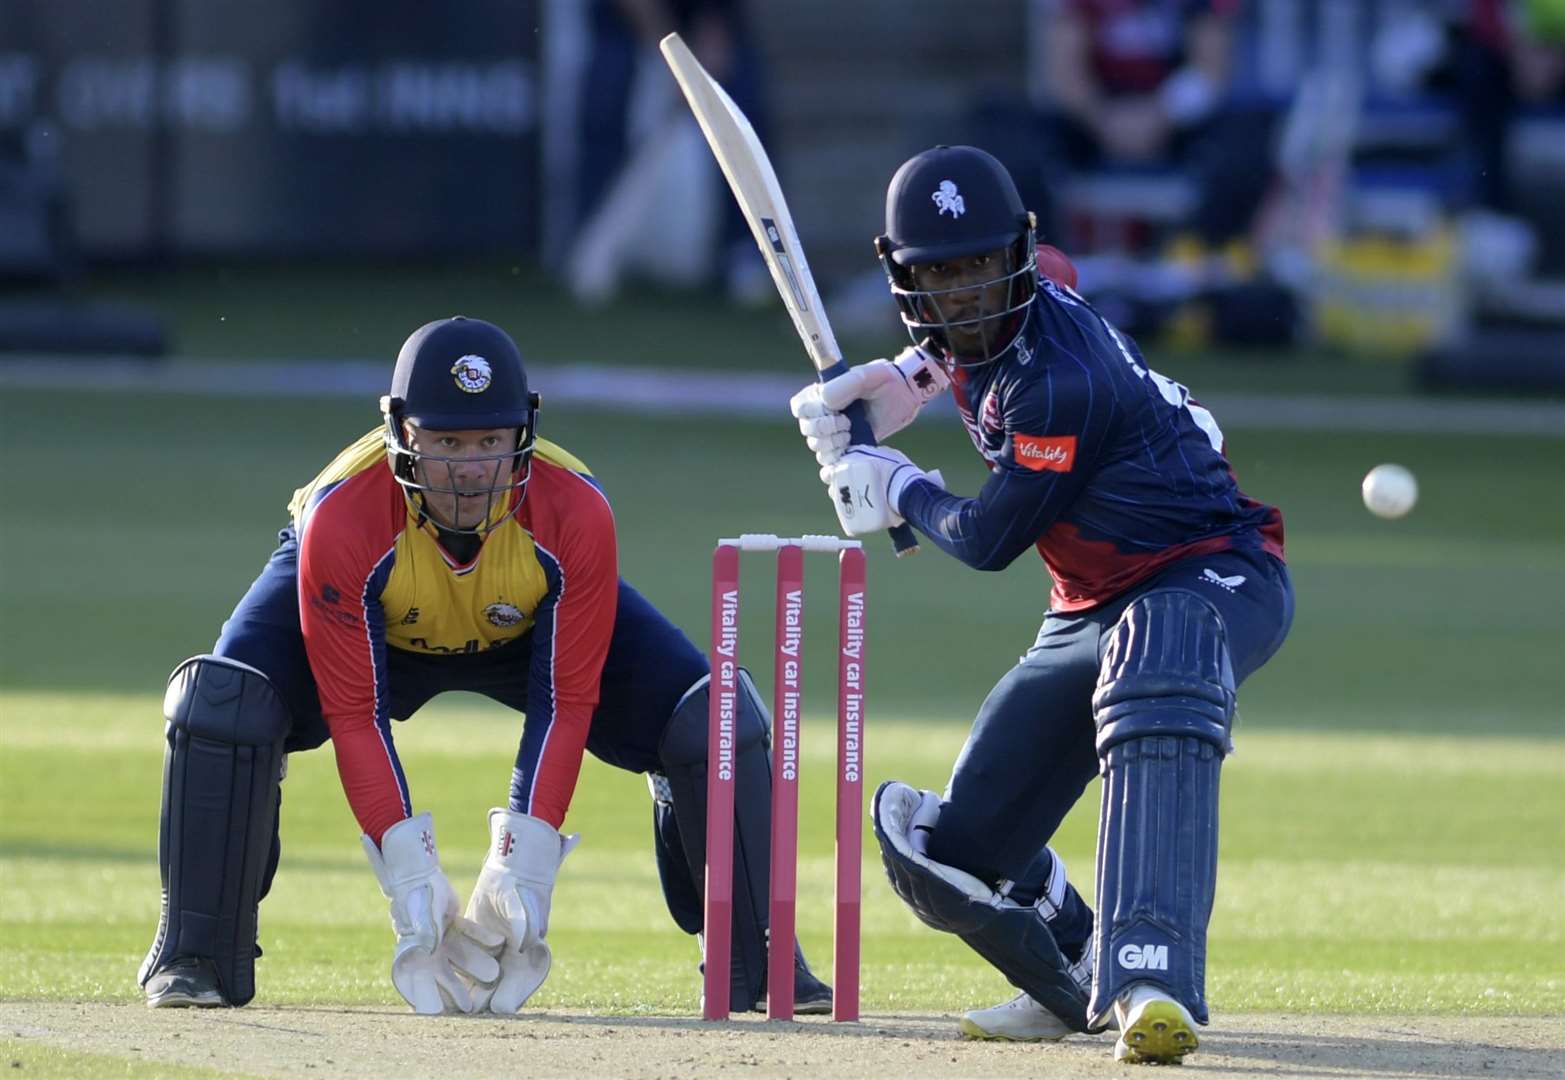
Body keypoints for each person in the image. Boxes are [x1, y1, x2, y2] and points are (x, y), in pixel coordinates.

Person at [138, 315, 830, 1016]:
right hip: (373, 625)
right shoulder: (344, 514)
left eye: (488, 442)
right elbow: (354, 713)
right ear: (402, 433)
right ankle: (196, 956)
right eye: (446, 443)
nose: (468, 468)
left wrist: (521, 864)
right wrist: (408, 873)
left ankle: (761, 955)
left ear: (521, 435)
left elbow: (565, 700)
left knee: (714, 718)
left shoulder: (575, 509)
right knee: (221, 706)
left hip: (523, 630)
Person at [790, 146, 1293, 1064]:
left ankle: (1149, 974)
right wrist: (907, 378)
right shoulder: (1018, 292)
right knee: (951, 852)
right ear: (905, 279)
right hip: (1086, 608)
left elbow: (984, 541)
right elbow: (1037, 281)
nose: (968, 295)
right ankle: (1076, 971)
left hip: (1211, 569)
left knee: (1160, 646)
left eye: (982, 267)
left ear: (1011, 256)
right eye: (940, 276)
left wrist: (895, 486)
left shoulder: (1058, 383)